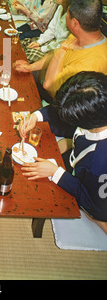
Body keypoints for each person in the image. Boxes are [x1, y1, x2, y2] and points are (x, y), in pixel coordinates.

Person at [19, 72, 107, 231]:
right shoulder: (99, 110)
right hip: (79, 162)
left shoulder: (99, 164)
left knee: (33, 191)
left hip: (96, 201)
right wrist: (35, 116)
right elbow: (62, 112)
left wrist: (56, 173)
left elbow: (95, 206)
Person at [14, 0, 107, 102]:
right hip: (48, 82)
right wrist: (31, 67)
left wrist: (62, 49)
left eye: (66, 14)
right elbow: (54, 53)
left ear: (74, 23)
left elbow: (49, 85)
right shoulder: (82, 35)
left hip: (65, 103)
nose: (64, 17)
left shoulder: (91, 64)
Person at [21, 0, 85, 63]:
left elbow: (62, 43)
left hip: (59, 50)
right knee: (22, 43)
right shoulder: (60, 7)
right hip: (52, 43)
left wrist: (42, 48)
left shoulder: (74, 18)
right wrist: (39, 42)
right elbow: (51, 29)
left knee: (27, 56)